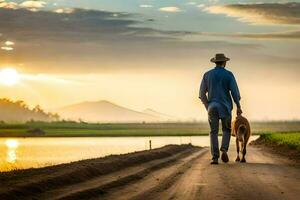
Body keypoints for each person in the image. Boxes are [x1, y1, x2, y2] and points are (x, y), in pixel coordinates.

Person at [199, 53, 242, 165]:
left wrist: (207, 106)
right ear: (224, 62)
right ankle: (224, 149)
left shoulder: (207, 75)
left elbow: (201, 94)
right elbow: (235, 93)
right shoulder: (229, 75)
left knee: (213, 132)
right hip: (225, 107)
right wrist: (238, 106)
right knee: (226, 129)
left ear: (215, 62)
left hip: (212, 107)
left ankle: (214, 157)